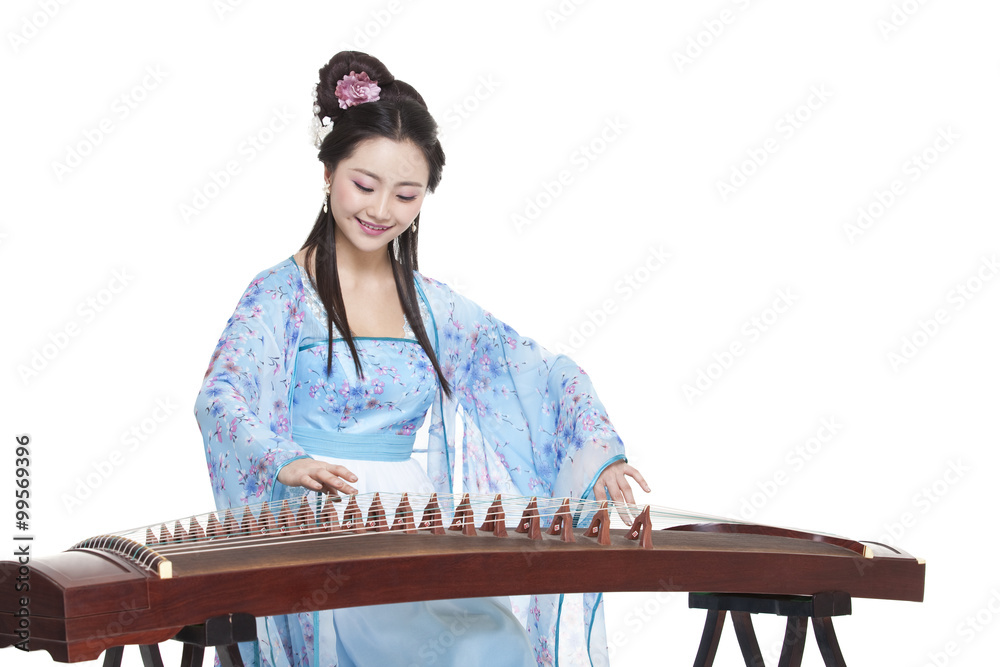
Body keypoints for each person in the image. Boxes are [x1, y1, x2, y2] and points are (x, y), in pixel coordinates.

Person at [194, 51, 649, 667]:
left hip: (408, 525)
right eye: (364, 184)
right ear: (327, 173)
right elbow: (222, 396)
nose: (381, 210)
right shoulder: (281, 295)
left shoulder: (432, 307)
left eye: (406, 194)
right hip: (318, 528)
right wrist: (285, 460)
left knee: (490, 640)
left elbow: (539, 374)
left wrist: (600, 453)